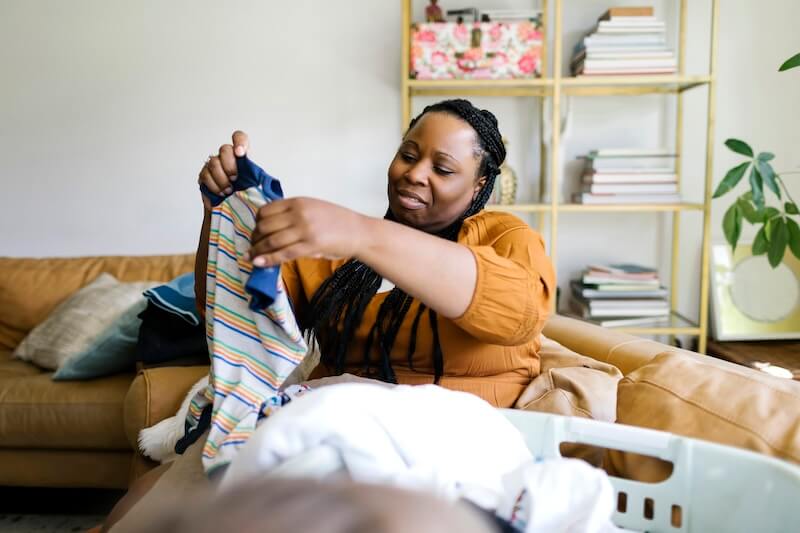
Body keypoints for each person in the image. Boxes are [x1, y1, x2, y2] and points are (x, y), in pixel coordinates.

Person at [103, 99, 554, 530]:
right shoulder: (345, 260)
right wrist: (221, 212)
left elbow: (516, 313)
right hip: (328, 432)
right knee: (142, 500)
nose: (414, 175)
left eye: (443, 168)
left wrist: (363, 234)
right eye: (407, 155)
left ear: (478, 186)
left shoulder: (504, 238)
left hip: (448, 451)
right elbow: (235, 311)